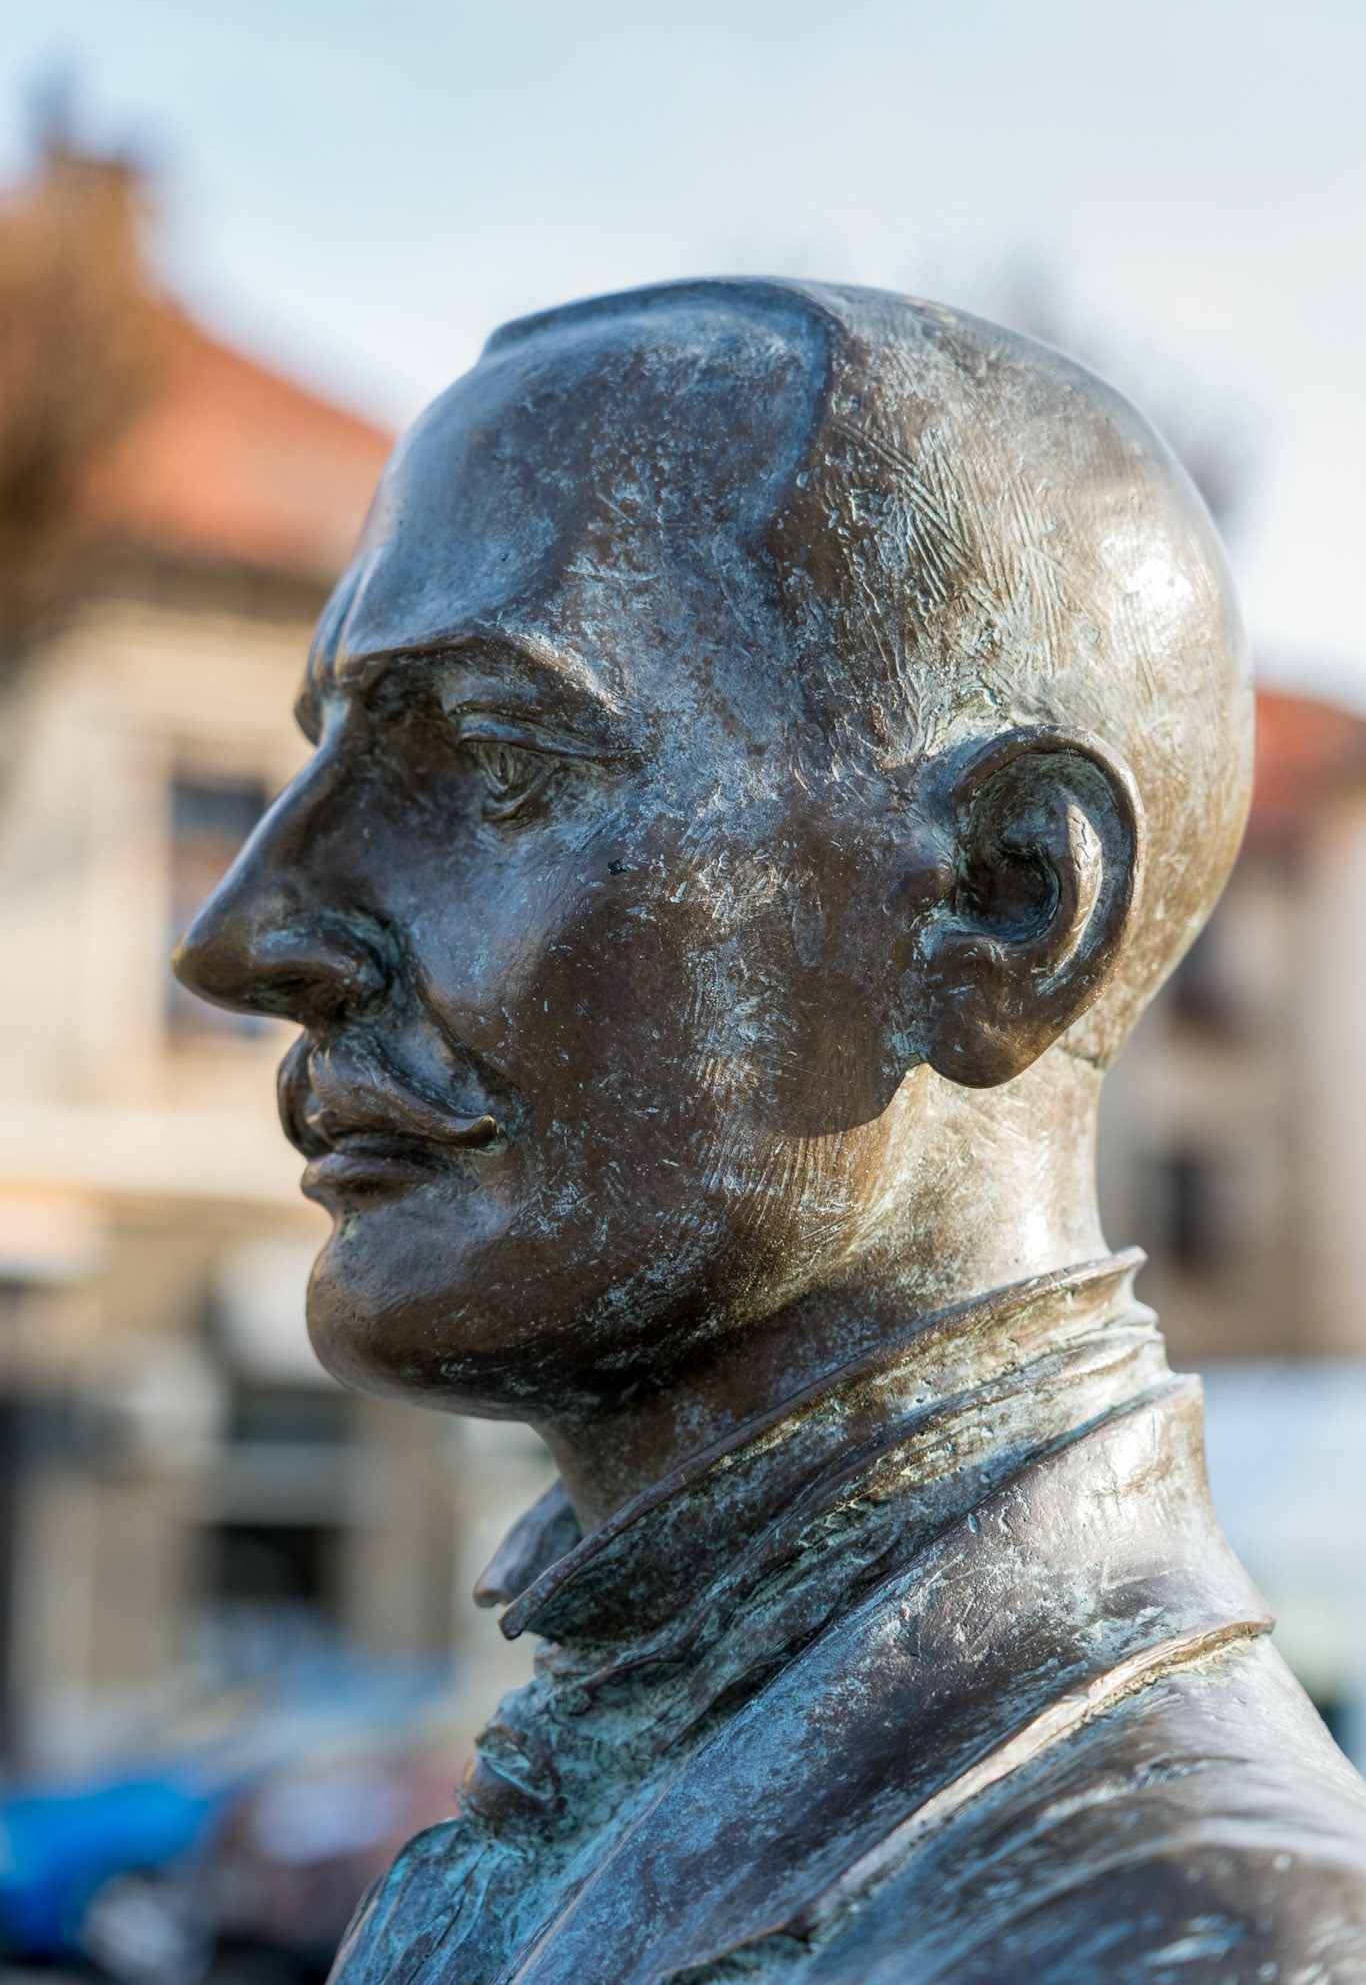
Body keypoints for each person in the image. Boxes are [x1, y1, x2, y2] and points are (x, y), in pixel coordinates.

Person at [175, 280, 1366, 1982]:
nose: (244, 937)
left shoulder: (1186, 1940)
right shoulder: (586, 1814)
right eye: (328, 758)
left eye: (498, 760)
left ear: (1005, 905)